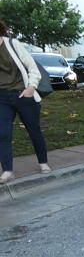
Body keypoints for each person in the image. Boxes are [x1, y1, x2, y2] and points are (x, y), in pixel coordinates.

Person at [0, 19, 50, 184]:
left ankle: (43, 163)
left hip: (23, 95)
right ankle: (7, 170)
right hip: (2, 97)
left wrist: (31, 88)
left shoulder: (13, 44)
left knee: (33, 131)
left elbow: (32, 68)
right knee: (3, 134)